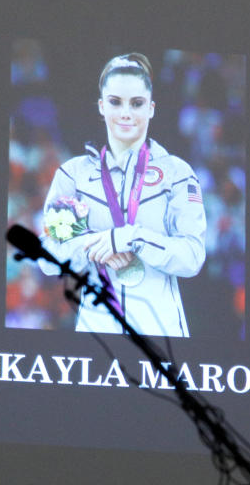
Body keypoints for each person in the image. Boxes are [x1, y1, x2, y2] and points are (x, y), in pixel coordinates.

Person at [38, 53, 206, 337]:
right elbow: (46, 258)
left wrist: (131, 237)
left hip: (162, 334)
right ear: (102, 106)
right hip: (97, 332)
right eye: (116, 102)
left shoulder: (178, 172)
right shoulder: (73, 174)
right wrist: (96, 243)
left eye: (137, 103)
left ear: (151, 108)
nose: (126, 113)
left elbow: (192, 258)